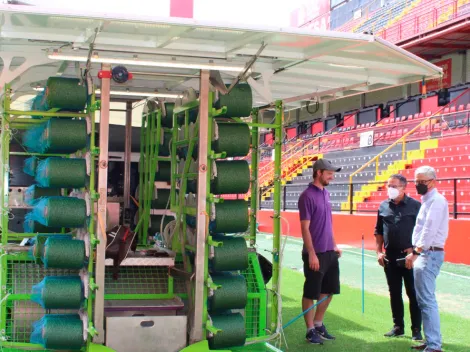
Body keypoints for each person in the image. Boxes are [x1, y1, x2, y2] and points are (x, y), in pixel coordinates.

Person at [298, 158, 342, 345]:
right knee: (311, 293)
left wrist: (334, 245)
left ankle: (318, 324)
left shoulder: (325, 193)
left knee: (329, 291)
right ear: (319, 173)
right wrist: (312, 253)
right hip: (315, 254)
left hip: (329, 252)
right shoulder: (307, 196)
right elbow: (305, 228)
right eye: (329, 173)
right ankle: (309, 330)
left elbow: (329, 224)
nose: (332, 176)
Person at [405, 166, 449, 352]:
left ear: (433, 181)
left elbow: (429, 230)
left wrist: (416, 251)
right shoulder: (428, 200)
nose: (418, 184)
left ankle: (433, 345)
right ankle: (431, 341)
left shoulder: (436, 201)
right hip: (427, 252)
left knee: (427, 300)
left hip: (428, 253)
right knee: (423, 299)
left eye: (422, 181)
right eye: (416, 181)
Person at [374, 174, 423, 341]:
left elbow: (422, 232)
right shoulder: (382, 206)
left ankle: (416, 329)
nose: (390, 189)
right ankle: (398, 327)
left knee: (413, 293)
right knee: (394, 292)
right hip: (390, 256)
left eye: (394, 186)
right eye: (389, 185)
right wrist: (378, 252)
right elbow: (378, 231)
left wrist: (414, 251)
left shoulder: (416, 206)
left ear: (404, 188)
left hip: (410, 257)